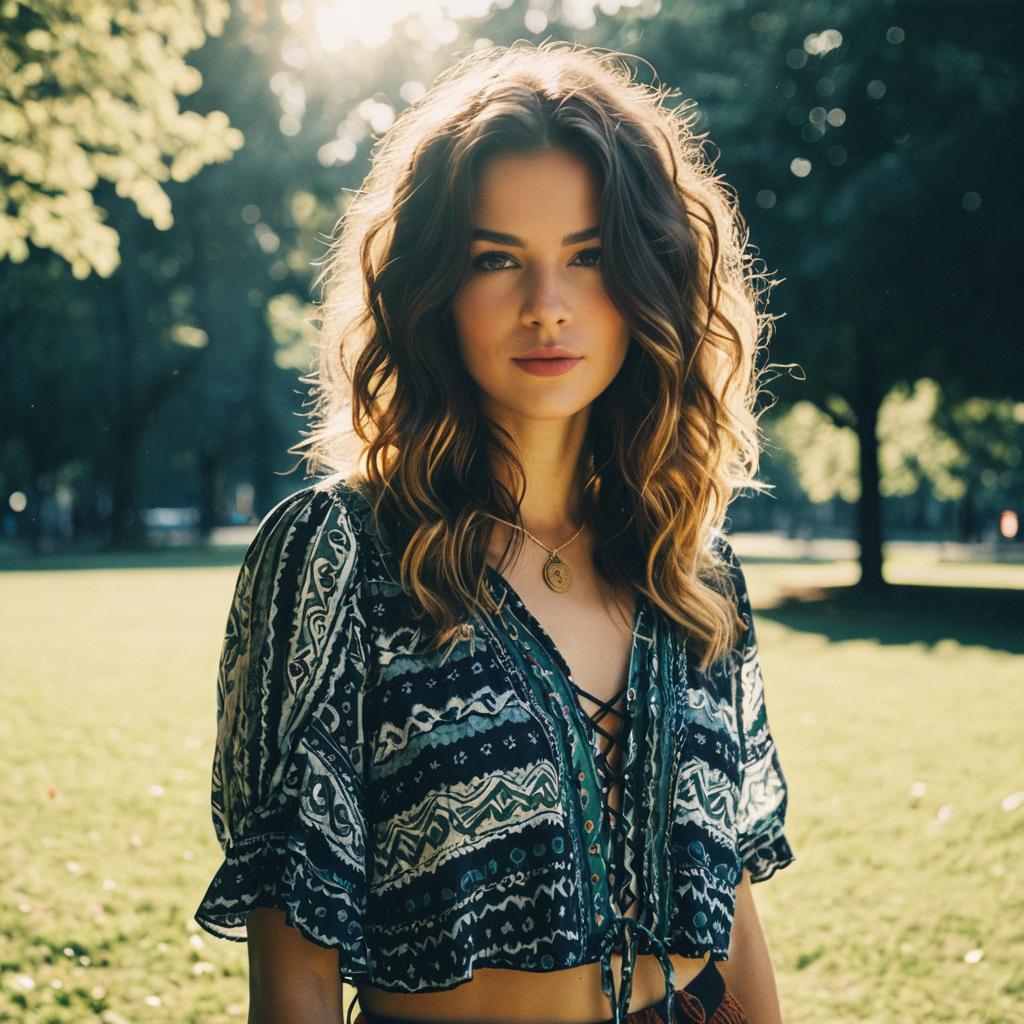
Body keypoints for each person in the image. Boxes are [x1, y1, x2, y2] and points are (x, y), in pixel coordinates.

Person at [195, 40, 796, 1024]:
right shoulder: (336, 555)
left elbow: (728, 911)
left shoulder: (691, 566)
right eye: (495, 259)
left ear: (649, 277)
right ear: (434, 288)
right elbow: (296, 966)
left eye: (588, 256)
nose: (545, 308)